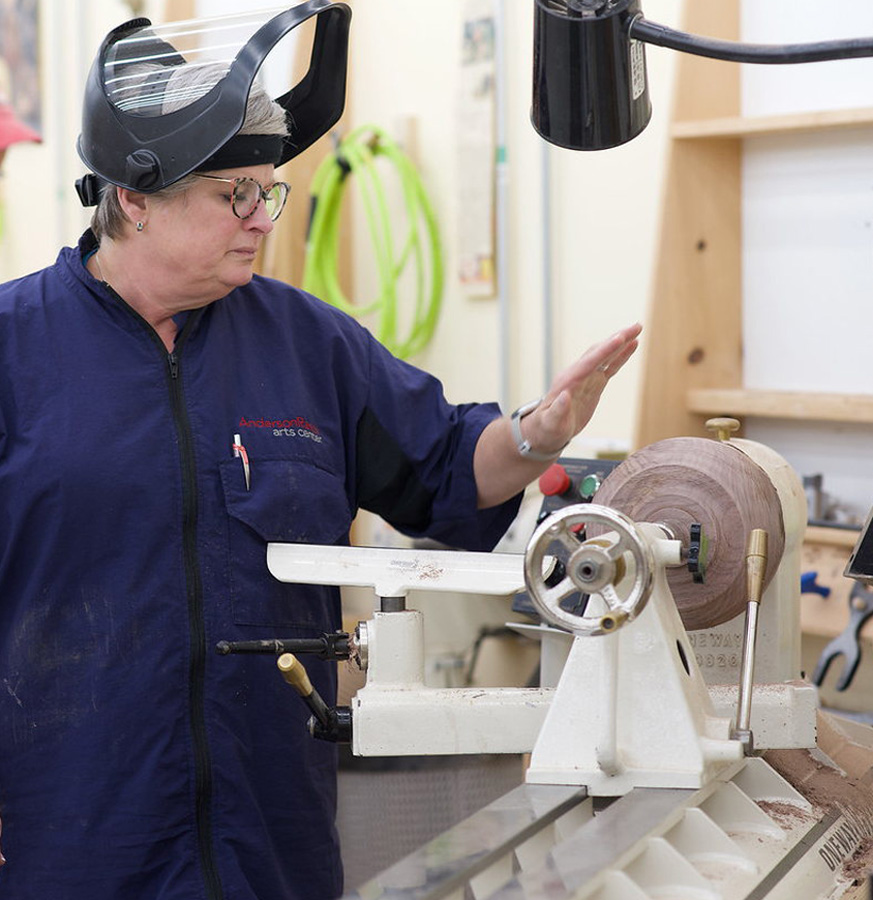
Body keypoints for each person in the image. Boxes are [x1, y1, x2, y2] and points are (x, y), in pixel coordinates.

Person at [0, 11, 641, 900]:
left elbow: (447, 470)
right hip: (71, 841)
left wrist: (540, 431)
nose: (261, 219)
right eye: (236, 194)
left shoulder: (308, 344)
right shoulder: (16, 349)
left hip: (271, 843)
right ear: (134, 199)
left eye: (270, 192)